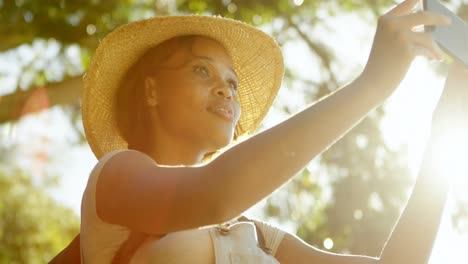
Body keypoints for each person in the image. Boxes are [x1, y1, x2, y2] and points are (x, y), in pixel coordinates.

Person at [74, 0, 467, 263]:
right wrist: (373, 85)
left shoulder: (255, 235)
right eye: (201, 69)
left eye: (233, 82)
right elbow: (214, 193)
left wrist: (446, 122)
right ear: (151, 90)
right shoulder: (116, 176)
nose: (226, 88)